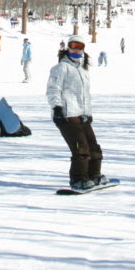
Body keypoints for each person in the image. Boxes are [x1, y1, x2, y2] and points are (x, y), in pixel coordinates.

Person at [47, 34, 106, 191]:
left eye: (80, 46)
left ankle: (94, 176)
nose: (76, 49)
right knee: (80, 148)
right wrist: (57, 108)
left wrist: (88, 112)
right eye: (73, 45)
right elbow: (53, 89)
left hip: (82, 114)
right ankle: (78, 179)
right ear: (68, 47)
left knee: (93, 147)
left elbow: (85, 94)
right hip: (67, 115)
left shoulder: (83, 69)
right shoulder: (61, 67)